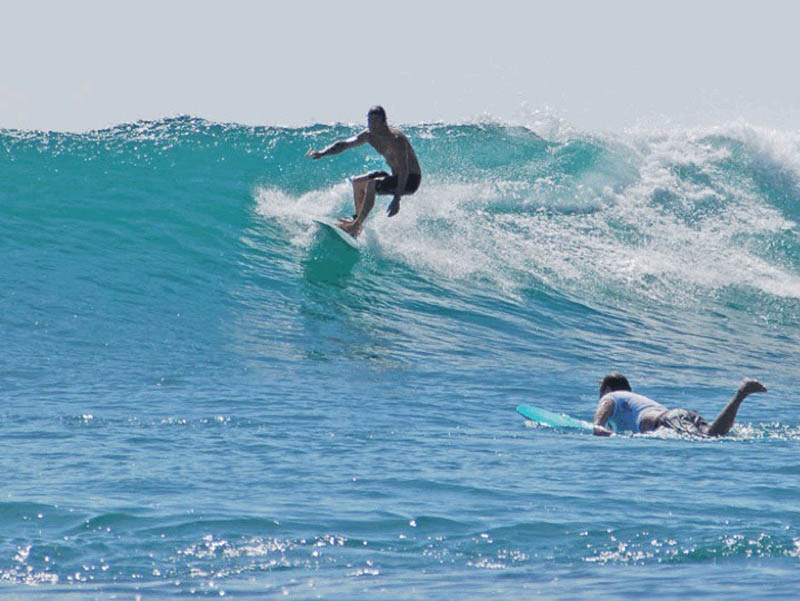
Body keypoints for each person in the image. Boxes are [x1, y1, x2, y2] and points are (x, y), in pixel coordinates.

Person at [306, 106, 422, 237]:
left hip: (410, 180)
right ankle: (357, 222)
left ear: (384, 122)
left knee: (371, 184)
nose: (372, 124)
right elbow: (345, 144)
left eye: (375, 121)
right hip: (396, 176)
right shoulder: (369, 135)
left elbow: (404, 169)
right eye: (370, 120)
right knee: (358, 182)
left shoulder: (395, 139)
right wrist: (323, 152)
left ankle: (355, 226)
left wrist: (397, 198)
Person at [593, 372, 767, 437]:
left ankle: (741, 393)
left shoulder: (611, 397)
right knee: (715, 432)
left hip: (665, 422)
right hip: (674, 415)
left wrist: (603, 431)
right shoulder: (630, 401)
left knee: (708, 438)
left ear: (607, 389)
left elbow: (597, 427)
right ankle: (741, 394)